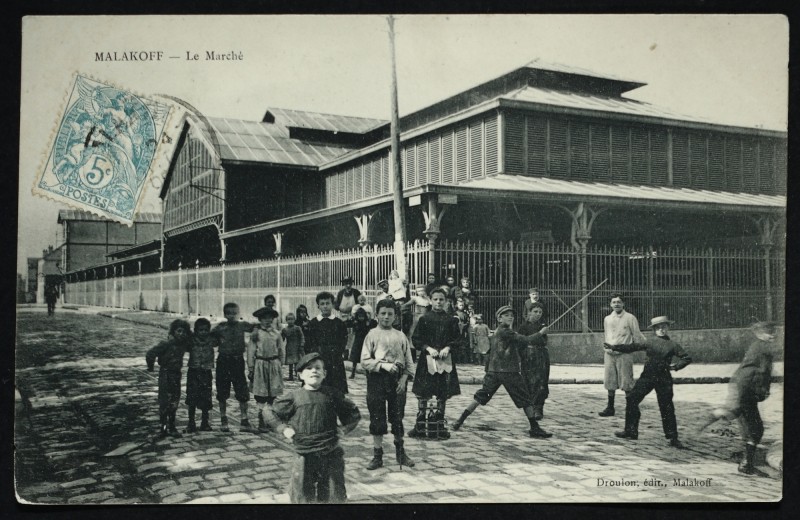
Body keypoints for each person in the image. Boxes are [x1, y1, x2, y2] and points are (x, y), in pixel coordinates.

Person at [262, 352, 361, 503]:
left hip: (330, 451)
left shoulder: (332, 395)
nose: (314, 371)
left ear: (324, 373)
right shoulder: (294, 396)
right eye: (308, 368)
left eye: (318, 368)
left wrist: (344, 429)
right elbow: (268, 411)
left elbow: (353, 412)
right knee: (302, 494)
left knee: (334, 493)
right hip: (305, 453)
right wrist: (282, 428)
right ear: (300, 375)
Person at [451, 306, 552, 438]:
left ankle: (460, 421)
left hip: (494, 371)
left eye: (511, 315)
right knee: (525, 399)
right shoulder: (506, 332)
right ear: (499, 318)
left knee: (481, 396)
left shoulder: (501, 331)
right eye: (506, 315)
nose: (510, 317)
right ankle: (534, 427)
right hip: (509, 371)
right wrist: (541, 333)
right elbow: (526, 340)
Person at [700, 321, 778, 476]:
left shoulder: (756, 345)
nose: (773, 335)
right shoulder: (764, 349)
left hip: (741, 387)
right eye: (769, 332)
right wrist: (763, 391)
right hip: (746, 389)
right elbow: (762, 373)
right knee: (755, 428)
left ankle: (718, 415)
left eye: (773, 331)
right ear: (760, 334)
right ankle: (746, 464)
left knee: (744, 421)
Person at [609, 316, 692, 448]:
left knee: (666, 406)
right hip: (647, 377)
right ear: (654, 329)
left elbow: (687, 358)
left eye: (664, 327)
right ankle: (631, 430)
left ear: (668, 328)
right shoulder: (650, 342)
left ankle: (673, 437)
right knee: (632, 399)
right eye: (658, 328)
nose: (661, 330)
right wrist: (615, 347)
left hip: (664, 379)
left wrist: (676, 366)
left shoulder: (673, 345)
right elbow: (634, 347)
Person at [360, 299, 416, 470]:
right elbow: (365, 360)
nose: (386, 317)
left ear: (395, 317)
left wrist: (403, 379)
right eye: (383, 313)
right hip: (377, 380)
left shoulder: (400, 336)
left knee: (397, 417)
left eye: (390, 314)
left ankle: (401, 453)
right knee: (377, 417)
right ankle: (377, 455)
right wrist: (383, 365)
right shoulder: (372, 335)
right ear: (376, 315)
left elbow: (409, 363)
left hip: (397, 381)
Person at [409, 287, 462, 439]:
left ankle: (437, 425)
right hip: (427, 362)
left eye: (441, 300)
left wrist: (448, 347)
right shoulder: (424, 319)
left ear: (446, 301)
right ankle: (419, 426)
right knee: (423, 393)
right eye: (436, 299)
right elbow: (417, 339)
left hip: (445, 361)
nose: (438, 302)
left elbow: (458, 339)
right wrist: (428, 348)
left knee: (442, 393)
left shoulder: (451, 320)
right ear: (431, 301)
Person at [599, 293, 646, 417]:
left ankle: (630, 408)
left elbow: (636, 335)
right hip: (609, 353)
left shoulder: (630, 318)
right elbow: (606, 334)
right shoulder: (607, 319)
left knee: (626, 382)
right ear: (610, 304)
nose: (616, 304)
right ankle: (610, 407)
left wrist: (639, 347)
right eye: (614, 302)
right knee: (610, 380)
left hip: (624, 354)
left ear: (623, 304)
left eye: (619, 302)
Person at [146, 319, 192, 438]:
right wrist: (150, 367)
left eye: (184, 332)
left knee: (175, 401)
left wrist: (189, 334)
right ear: (173, 331)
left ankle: (172, 427)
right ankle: (163, 428)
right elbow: (150, 353)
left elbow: (192, 342)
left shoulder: (183, 344)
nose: (181, 334)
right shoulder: (166, 344)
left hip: (176, 375)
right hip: (165, 374)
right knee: (164, 401)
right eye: (179, 331)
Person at [212, 302, 255, 432]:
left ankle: (244, 419)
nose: (231, 316)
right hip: (223, 361)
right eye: (228, 313)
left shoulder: (242, 325)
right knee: (222, 390)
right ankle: (223, 419)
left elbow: (256, 327)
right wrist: (217, 340)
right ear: (224, 314)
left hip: (237, 361)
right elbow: (209, 337)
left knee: (241, 389)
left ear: (239, 314)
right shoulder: (220, 327)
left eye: (234, 313)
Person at [248, 307, 285, 432]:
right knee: (260, 393)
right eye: (264, 318)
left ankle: (268, 416)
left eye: (270, 318)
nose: (267, 321)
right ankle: (261, 418)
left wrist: (280, 363)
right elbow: (251, 351)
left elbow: (281, 349)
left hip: (273, 365)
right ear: (259, 320)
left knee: (272, 393)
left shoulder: (276, 334)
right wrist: (251, 367)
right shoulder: (256, 334)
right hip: (260, 364)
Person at [306, 292, 349, 394]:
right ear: (318, 306)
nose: (325, 306)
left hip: (335, 360)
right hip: (318, 359)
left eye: (328, 303)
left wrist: (338, 352)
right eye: (322, 304)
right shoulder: (313, 323)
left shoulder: (339, 323)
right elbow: (309, 343)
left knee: (335, 390)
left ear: (332, 305)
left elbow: (343, 341)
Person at [518, 302, 550, 420]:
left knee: (542, 382)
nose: (538, 314)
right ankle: (531, 407)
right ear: (529, 312)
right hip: (528, 357)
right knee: (529, 382)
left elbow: (544, 342)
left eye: (540, 312)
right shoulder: (523, 327)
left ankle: (539, 408)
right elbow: (521, 342)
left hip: (541, 356)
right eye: (535, 312)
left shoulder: (543, 325)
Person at [184, 318, 217, 433]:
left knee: (206, 397)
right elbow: (184, 343)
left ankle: (205, 422)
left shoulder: (212, 340)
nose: (203, 332)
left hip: (206, 372)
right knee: (192, 397)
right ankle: (191, 423)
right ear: (196, 331)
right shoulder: (191, 340)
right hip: (193, 371)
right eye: (200, 330)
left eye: (206, 330)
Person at [348, 307, 377, 379]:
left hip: (365, 342)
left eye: (362, 316)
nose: (361, 318)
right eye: (359, 317)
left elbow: (375, 323)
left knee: (367, 357)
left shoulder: (367, 323)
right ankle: (353, 373)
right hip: (357, 342)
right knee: (355, 359)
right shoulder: (356, 322)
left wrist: (370, 320)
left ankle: (367, 373)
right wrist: (351, 319)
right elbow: (348, 324)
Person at [282, 313, 305, 382]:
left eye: (292, 319)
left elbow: (302, 336)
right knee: (290, 363)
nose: (290, 321)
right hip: (289, 347)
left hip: (297, 347)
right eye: (288, 319)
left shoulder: (297, 328)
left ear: (294, 320)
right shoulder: (285, 330)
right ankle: (290, 376)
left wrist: (302, 344)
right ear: (286, 320)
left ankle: (298, 375)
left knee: (297, 362)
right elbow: (281, 338)